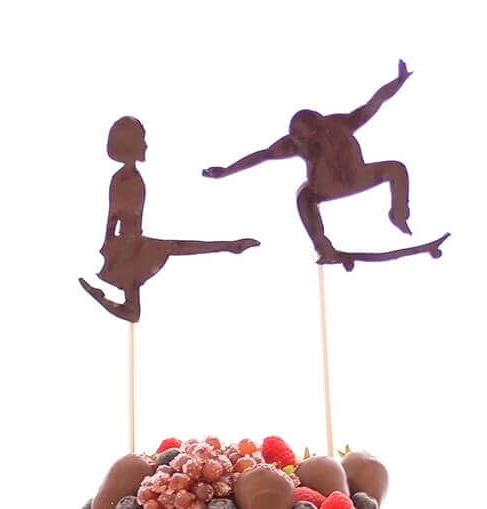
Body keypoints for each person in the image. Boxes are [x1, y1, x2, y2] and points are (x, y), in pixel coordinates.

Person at [203, 61, 413, 264]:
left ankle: (397, 215)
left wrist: (398, 81)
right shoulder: (319, 133)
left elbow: (375, 102)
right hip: (346, 181)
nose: (312, 140)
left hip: (344, 181)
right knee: (307, 196)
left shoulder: (334, 126)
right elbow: (261, 155)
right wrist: (226, 171)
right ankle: (327, 246)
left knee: (308, 196)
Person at [80, 116, 258, 321]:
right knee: (137, 307)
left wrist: (111, 242)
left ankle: (231, 246)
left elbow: (114, 216)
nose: (146, 145)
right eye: (142, 140)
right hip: (128, 246)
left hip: (131, 242)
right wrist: (110, 245)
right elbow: (113, 214)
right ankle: (231, 246)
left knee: (172, 251)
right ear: (130, 145)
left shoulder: (129, 177)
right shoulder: (124, 180)